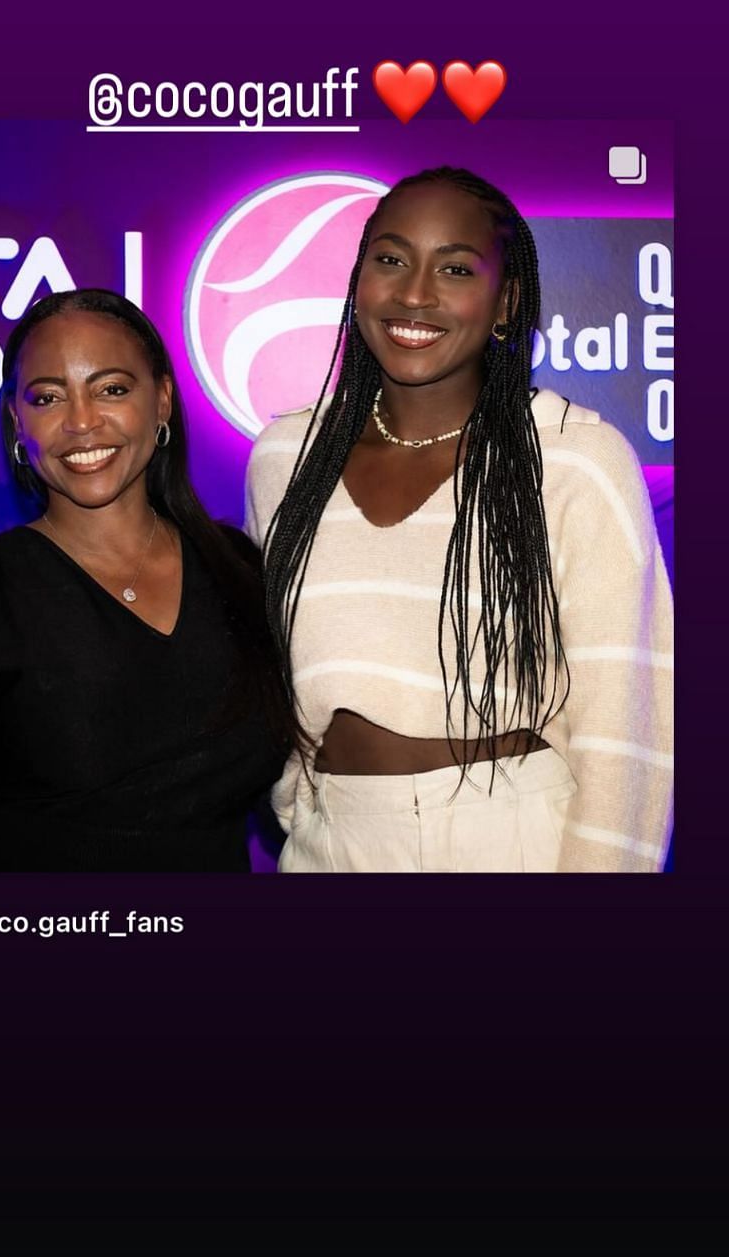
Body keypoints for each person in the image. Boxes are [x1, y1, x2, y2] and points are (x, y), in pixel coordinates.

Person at [245, 166, 673, 874]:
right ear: (357, 284)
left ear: (505, 303)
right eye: (390, 260)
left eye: (455, 269)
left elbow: (626, 727)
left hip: (511, 840)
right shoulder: (286, 457)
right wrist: (309, 804)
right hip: (334, 843)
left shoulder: (575, 459)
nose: (415, 293)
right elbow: (275, 676)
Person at [0, 289, 291, 871]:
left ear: (163, 400)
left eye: (112, 389)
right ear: (18, 423)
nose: (82, 422)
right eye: (47, 397)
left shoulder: (239, 570)